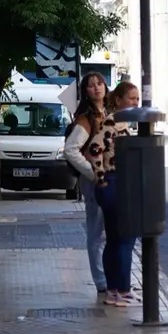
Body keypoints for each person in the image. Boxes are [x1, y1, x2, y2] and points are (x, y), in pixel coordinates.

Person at [87, 81, 141, 307]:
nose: (135, 103)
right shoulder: (113, 124)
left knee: (116, 239)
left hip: (115, 184)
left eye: (137, 99)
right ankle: (121, 290)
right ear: (118, 100)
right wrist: (101, 177)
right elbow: (93, 150)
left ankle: (115, 290)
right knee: (124, 238)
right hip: (114, 183)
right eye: (132, 98)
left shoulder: (119, 123)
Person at [64, 72, 109, 296]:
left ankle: (109, 277)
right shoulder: (86, 119)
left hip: (109, 179)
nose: (97, 88)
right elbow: (71, 150)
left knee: (109, 231)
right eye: (91, 86)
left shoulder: (109, 113)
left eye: (99, 83)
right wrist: (92, 173)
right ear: (86, 91)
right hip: (95, 181)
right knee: (97, 231)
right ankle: (101, 280)